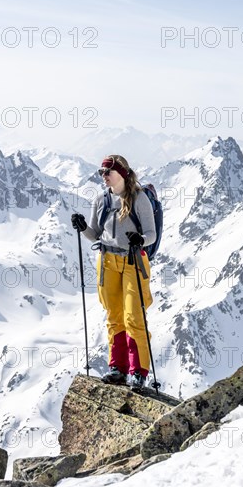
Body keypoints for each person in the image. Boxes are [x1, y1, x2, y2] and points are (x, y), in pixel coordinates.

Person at [71, 155, 156, 392]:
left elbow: (152, 234)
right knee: (114, 315)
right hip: (107, 261)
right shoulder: (101, 199)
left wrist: (140, 239)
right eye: (101, 172)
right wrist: (83, 228)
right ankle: (117, 367)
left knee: (134, 317)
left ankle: (138, 371)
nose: (103, 176)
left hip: (132, 261)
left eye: (107, 171)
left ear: (121, 173)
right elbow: (96, 234)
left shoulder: (139, 199)